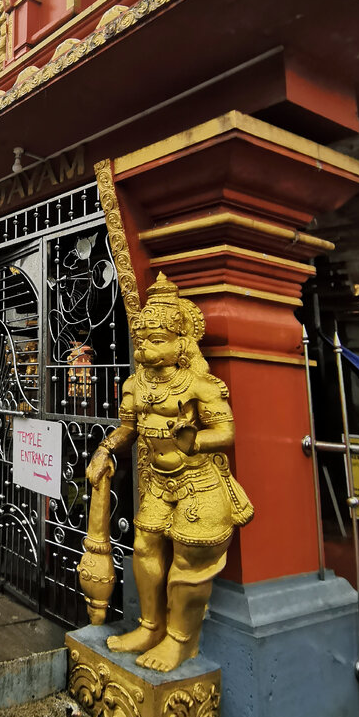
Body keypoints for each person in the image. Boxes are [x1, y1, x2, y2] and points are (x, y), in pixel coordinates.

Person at [85, 273, 253, 672]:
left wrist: (195, 441)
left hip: (198, 482)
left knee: (188, 563)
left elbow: (226, 431)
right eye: (142, 341)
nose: (145, 348)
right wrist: (104, 449)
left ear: (182, 342)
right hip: (158, 482)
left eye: (157, 340)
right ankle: (149, 625)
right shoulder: (135, 384)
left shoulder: (199, 384)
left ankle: (180, 641)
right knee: (144, 548)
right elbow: (129, 429)